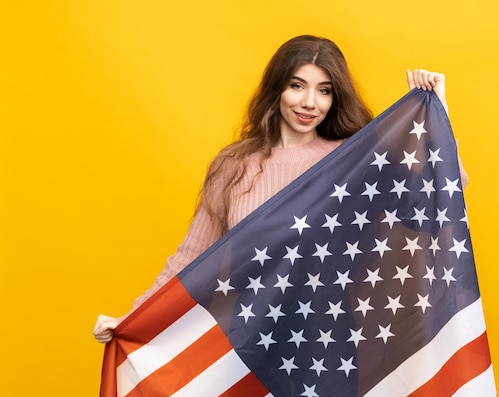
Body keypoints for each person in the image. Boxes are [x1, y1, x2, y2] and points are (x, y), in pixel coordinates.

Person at [93, 34, 468, 344]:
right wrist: (132, 317)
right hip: (249, 341)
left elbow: (440, 200)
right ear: (278, 89)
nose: (309, 102)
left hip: (327, 341)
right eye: (297, 86)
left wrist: (440, 112)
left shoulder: (353, 160)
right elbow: (189, 258)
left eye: (324, 90)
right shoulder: (234, 165)